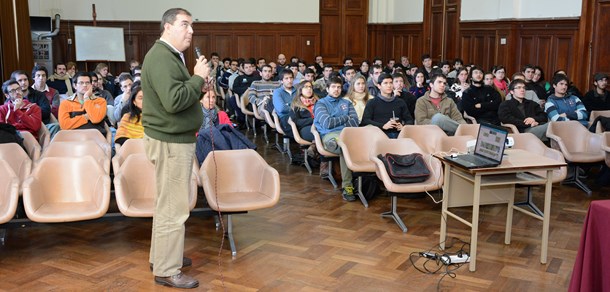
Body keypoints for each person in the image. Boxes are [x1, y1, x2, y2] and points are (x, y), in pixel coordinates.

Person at [140, 8, 210, 289]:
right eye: (184, 24)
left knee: (166, 204)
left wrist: (196, 84)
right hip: (171, 143)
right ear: (167, 27)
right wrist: (197, 78)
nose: (190, 30)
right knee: (174, 208)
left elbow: (177, 95)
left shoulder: (167, 56)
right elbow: (173, 100)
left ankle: (161, 257)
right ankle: (168, 270)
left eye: (191, 26)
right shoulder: (161, 57)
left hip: (171, 139)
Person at [313, 77, 359, 201]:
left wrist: (339, 121)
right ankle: (347, 187)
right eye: (333, 87)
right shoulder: (321, 103)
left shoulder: (346, 103)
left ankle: (364, 182)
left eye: (339, 87)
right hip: (330, 137)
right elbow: (327, 123)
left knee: (362, 145)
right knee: (345, 148)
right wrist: (345, 118)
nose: (336, 89)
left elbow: (355, 122)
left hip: (348, 135)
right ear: (327, 89)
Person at [361, 73, 413, 138]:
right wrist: (382, 126)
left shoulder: (400, 102)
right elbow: (365, 121)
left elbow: (409, 120)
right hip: (379, 135)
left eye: (391, 83)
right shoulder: (372, 102)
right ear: (379, 86)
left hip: (398, 135)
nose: (389, 86)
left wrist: (403, 126)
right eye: (385, 83)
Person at [272, 70, 297, 135]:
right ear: (281, 81)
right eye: (286, 78)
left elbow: (303, 105)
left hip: (298, 116)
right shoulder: (277, 92)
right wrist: (296, 107)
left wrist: (288, 104)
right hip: (284, 118)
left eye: (291, 78)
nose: (289, 80)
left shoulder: (298, 90)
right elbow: (282, 108)